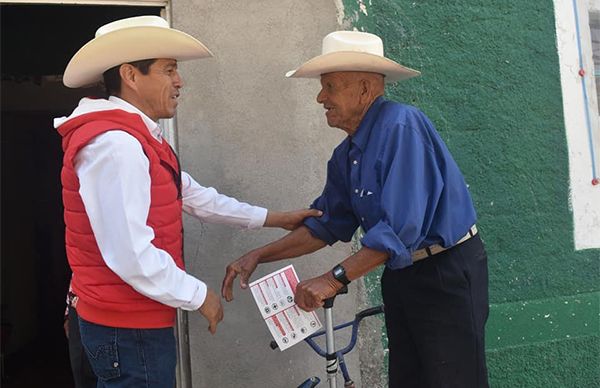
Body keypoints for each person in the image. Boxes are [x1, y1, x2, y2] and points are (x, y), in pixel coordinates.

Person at [55, 15, 320, 387]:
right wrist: (198, 296)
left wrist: (275, 218)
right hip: (127, 329)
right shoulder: (117, 145)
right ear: (131, 75)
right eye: (168, 70)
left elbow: (193, 195)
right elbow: (129, 253)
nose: (179, 81)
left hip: (122, 321)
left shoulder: (137, 138)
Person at [222, 31, 489, 388]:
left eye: (330, 86)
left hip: (445, 272)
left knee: (452, 380)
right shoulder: (347, 155)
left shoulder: (401, 125)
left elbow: (398, 230)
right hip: (403, 274)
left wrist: (332, 279)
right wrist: (258, 256)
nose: (320, 98)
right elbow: (326, 225)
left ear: (364, 89)